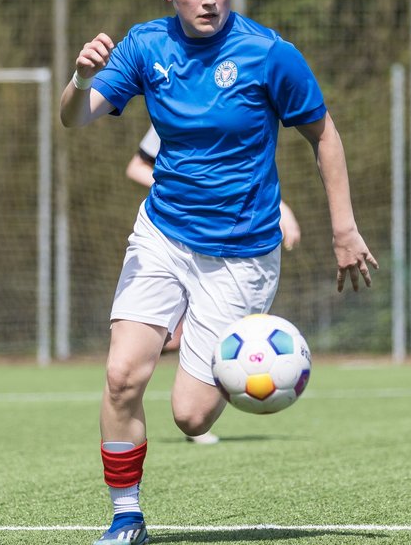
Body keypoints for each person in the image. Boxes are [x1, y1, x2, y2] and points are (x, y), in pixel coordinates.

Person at [61, 0, 377, 545]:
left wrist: (345, 228)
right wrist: (77, 78)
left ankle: (261, 348)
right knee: (123, 376)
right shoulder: (144, 45)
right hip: (162, 234)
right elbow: (76, 119)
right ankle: (126, 513)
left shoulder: (268, 53)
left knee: (191, 414)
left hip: (241, 253)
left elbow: (325, 136)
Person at [125, 124, 304, 446]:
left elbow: (246, 177)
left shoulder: (246, 101)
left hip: (229, 246)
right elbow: (138, 165)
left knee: (191, 404)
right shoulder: (170, 98)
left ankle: (195, 385)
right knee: (132, 362)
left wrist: (279, 206)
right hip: (170, 235)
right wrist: (185, 192)